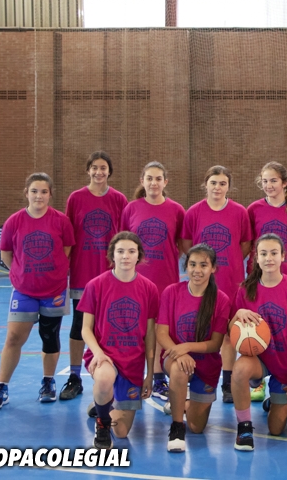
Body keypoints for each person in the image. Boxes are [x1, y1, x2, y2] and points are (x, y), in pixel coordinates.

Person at [0, 173, 74, 410]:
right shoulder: (14, 221)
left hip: (54, 291)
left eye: (44, 191)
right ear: (26, 193)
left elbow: (66, 249)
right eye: (34, 191)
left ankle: (48, 383)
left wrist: (52, 273)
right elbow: (6, 253)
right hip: (24, 291)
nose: (39, 196)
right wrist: (20, 273)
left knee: (50, 337)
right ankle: (1, 388)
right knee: (14, 338)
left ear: (50, 194)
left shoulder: (61, 221)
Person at [229, 234, 287, 452]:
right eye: (263, 253)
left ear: (283, 256)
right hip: (258, 359)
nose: (268, 258)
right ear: (256, 258)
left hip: (285, 364)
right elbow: (230, 333)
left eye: (274, 253)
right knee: (240, 370)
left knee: (276, 429)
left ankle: (274, 401)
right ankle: (244, 428)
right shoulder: (245, 290)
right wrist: (237, 315)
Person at [80, 231, 159, 449]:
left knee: (122, 433)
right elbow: (85, 329)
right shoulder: (96, 285)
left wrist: (150, 374)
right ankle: (102, 423)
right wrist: (98, 353)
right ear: (112, 255)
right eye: (120, 251)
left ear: (139, 255)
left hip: (133, 361)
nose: (125, 256)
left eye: (131, 251)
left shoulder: (149, 288)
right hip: (104, 354)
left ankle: (101, 402)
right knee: (104, 378)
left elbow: (150, 334)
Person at [181, 166, 252, 404]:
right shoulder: (194, 212)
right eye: (213, 183)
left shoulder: (239, 212)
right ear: (206, 185)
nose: (218, 187)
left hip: (230, 280)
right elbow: (187, 243)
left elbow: (245, 244)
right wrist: (201, 268)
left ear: (228, 186)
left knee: (229, 334)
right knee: (198, 329)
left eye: (222, 183)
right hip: (201, 283)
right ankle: (193, 376)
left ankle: (228, 382)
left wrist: (230, 262)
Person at [61, 151, 128, 401]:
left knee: (113, 326)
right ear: (88, 170)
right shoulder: (76, 198)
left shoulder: (119, 199)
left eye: (103, 168)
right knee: (80, 326)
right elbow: (68, 237)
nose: (99, 172)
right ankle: (75, 377)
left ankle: (116, 375)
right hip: (82, 273)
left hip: (111, 275)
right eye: (95, 167)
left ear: (109, 171)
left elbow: (124, 237)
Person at [157, 244, 232, 453]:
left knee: (197, 427)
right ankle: (176, 427)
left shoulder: (221, 300)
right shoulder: (171, 292)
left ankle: (180, 402)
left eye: (203, 265)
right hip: (174, 357)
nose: (197, 270)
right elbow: (161, 333)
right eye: (192, 264)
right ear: (186, 266)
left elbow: (215, 344)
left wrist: (186, 347)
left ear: (213, 268)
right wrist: (179, 353)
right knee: (179, 369)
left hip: (206, 364)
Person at [121, 161, 185, 401]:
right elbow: (122, 243)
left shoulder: (176, 210)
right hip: (135, 280)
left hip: (165, 279)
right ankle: (132, 376)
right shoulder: (131, 209)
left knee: (159, 330)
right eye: (149, 178)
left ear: (165, 182)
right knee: (134, 329)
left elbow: (182, 244)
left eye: (158, 178)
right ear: (142, 181)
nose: (154, 183)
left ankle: (158, 379)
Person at [246, 162, 287, 401]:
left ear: (284, 183)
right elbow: (249, 243)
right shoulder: (254, 209)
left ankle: (286, 378)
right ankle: (257, 381)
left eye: (273, 181)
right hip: (258, 278)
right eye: (265, 181)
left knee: (283, 330)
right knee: (256, 327)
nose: (269, 185)